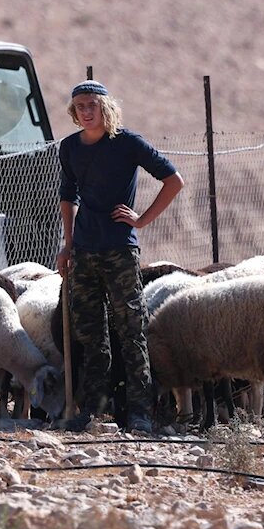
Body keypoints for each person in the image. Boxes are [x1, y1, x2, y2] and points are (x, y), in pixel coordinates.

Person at [57, 80, 184, 433]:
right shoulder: (69, 147)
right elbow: (68, 195)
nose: (86, 111)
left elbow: (174, 180)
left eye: (92, 105)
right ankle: (93, 410)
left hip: (120, 251)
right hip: (84, 251)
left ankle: (140, 411)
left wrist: (142, 220)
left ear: (105, 107)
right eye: (80, 106)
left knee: (131, 330)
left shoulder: (128, 143)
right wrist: (68, 244)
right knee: (90, 335)